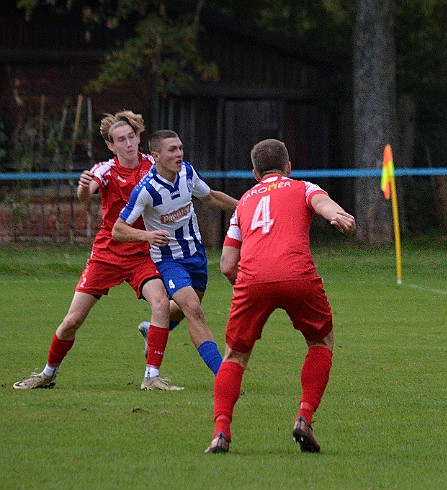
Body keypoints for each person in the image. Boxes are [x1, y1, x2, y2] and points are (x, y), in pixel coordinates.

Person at [204, 138, 356, 454]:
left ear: (255, 173)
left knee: (235, 356)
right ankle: (304, 417)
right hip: (298, 274)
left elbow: (227, 264)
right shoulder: (303, 187)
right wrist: (337, 215)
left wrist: (246, 287)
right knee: (320, 342)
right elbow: (322, 204)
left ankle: (220, 433)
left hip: (252, 280)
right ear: (288, 168)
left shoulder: (243, 201)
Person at [13, 110, 183, 391]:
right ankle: (47, 374)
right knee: (72, 321)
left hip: (142, 252)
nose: (128, 144)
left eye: (131, 137)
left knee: (161, 304)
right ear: (110, 145)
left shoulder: (154, 164)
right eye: (121, 140)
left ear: (139, 138)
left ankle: (151, 377)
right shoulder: (105, 170)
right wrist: (82, 187)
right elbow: (86, 193)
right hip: (107, 254)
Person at [112, 130, 238, 375]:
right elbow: (118, 230)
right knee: (194, 311)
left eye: (180, 148)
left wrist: (243, 206)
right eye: (172, 150)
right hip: (169, 260)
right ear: (156, 156)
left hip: (196, 255)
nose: (179, 153)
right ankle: (223, 374)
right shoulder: (146, 190)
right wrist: (147, 236)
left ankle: (154, 328)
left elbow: (210, 197)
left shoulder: (187, 173)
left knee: (186, 307)